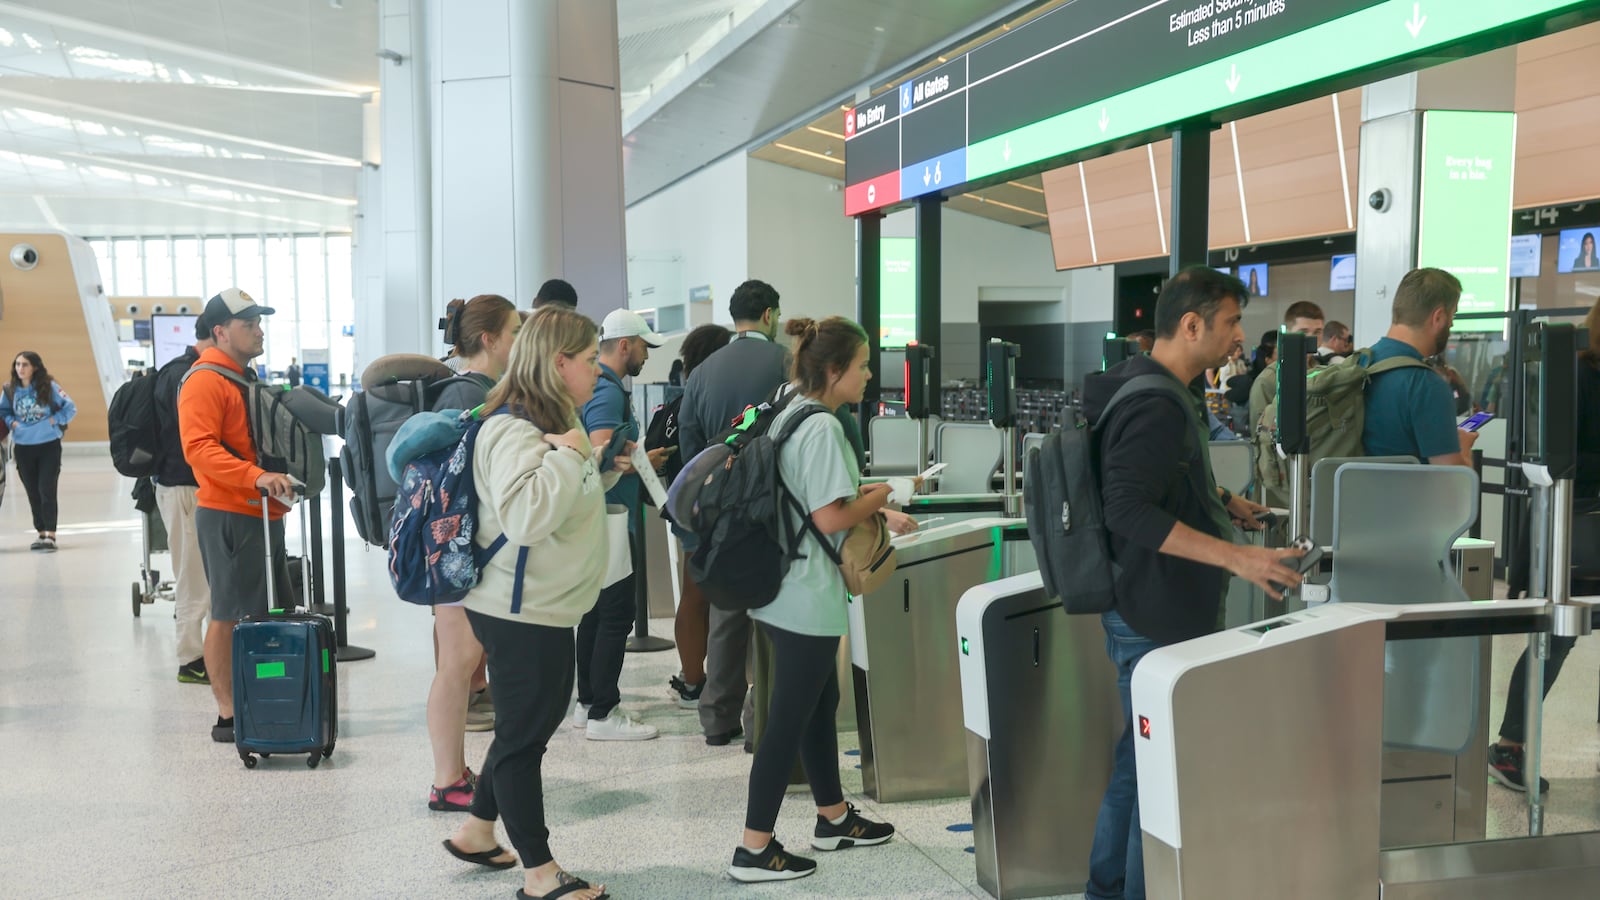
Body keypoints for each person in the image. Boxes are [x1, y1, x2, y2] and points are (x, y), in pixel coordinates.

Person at [1082, 267, 1303, 900]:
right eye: (1232, 321)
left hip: (1142, 602)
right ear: (1191, 324)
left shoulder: (1140, 381)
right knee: (1155, 770)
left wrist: (1223, 499)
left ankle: (1106, 890)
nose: (1239, 336)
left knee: (1136, 763)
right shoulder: (1157, 403)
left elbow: (1156, 479)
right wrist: (1237, 559)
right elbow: (1126, 506)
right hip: (1157, 612)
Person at [442, 305, 626, 900]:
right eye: (592, 358)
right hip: (519, 611)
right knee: (524, 741)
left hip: (540, 607)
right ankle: (541, 875)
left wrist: (590, 463)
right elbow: (525, 517)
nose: (600, 370)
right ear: (559, 362)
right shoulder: (512, 427)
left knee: (525, 728)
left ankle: (476, 831)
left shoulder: (549, 418)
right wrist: (574, 454)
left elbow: (555, 498)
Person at [727, 316, 912, 883]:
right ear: (834, 371)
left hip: (781, 581)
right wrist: (880, 494)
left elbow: (809, 493)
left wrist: (873, 505)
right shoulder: (825, 427)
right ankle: (754, 847)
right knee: (787, 717)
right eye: (860, 367)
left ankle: (833, 817)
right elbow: (829, 514)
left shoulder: (790, 409)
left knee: (817, 698)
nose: (867, 377)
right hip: (805, 589)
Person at [1485, 295, 1600, 793]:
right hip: (1577, 528)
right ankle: (1509, 745)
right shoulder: (1576, 374)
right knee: (1556, 635)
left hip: (1582, 524)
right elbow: (1558, 458)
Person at [177, 288, 298, 744]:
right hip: (229, 512)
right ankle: (227, 714)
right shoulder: (205, 381)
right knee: (228, 614)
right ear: (220, 332)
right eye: (249, 324)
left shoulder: (240, 379)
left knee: (264, 611)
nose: (259, 330)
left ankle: (261, 698)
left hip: (259, 509)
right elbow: (200, 450)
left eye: (259, 322)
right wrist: (255, 477)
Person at [678, 280, 788, 747]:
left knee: (727, 612)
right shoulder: (787, 363)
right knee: (776, 614)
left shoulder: (702, 371)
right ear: (768, 315)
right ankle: (761, 716)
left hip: (719, 507)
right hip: (774, 502)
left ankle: (716, 719)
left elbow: (688, 443)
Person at [427, 294, 520, 812]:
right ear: (489, 339)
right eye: (513, 332)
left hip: (463, 548)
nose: (518, 342)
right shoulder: (468, 395)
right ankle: (446, 780)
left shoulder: (476, 391)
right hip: (458, 550)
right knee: (457, 664)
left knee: (460, 663)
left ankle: (453, 770)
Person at [573, 308, 672, 741]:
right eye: (644, 348)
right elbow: (598, 457)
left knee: (595, 614)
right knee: (615, 614)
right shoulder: (608, 391)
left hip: (602, 517)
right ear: (625, 345)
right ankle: (603, 713)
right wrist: (640, 461)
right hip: (610, 517)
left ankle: (586, 704)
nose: (647, 358)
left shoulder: (600, 386)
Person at [667, 324, 733, 710]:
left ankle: (692, 678)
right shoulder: (715, 390)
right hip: (715, 504)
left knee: (692, 595)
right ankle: (702, 681)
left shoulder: (689, 389)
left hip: (688, 504)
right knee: (707, 597)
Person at [1360, 268, 1478, 467]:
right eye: (1452, 317)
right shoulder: (1426, 384)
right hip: (1407, 498)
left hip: (1351, 496)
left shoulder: (1360, 364)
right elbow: (1453, 482)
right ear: (1438, 317)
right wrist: (1463, 446)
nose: (1451, 324)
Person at [153, 322, 215, 684]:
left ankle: (203, 651)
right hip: (183, 486)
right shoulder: (185, 374)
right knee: (192, 575)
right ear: (217, 334)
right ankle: (190, 658)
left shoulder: (180, 370)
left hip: (183, 485)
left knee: (198, 572)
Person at [2, 351, 77, 551]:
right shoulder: (10, 390)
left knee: (46, 489)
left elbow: (70, 408)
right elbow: (4, 412)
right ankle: (40, 532)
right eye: (17, 364)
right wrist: (13, 423)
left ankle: (50, 534)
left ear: (34, 367)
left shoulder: (49, 387)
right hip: (23, 448)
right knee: (33, 492)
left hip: (48, 446)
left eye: (25, 364)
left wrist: (55, 420)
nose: (20, 369)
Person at [1248, 301, 1325, 428]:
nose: (1312, 338)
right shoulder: (1268, 380)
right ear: (1287, 333)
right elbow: (1260, 435)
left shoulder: (1324, 372)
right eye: (1304, 331)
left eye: (1318, 331)